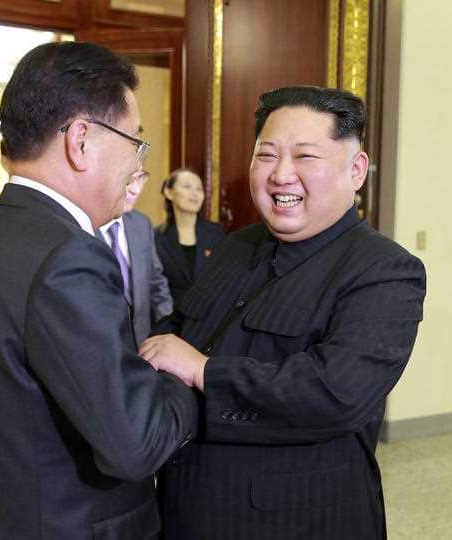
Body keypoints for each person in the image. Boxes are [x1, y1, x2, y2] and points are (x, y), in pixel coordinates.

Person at [140, 86, 427, 539]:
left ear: (356, 170)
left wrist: (205, 371)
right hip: (186, 507)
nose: (281, 175)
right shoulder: (236, 247)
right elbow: (177, 335)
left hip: (293, 520)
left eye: (305, 157)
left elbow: (335, 393)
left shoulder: (385, 271)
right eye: (267, 155)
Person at [0, 42, 198, 540]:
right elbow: (136, 443)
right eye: (135, 142)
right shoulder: (68, 256)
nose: (136, 164)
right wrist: (183, 374)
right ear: (81, 139)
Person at [99, 171, 173, 344]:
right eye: (129, 179)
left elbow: (156, 282)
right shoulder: (82, 225)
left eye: (141, 178)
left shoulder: (141, 224)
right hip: (101, 344)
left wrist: (169, 331)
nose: (136, 189)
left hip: (141, 341)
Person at [154, 168, 224, 304]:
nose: (195, 193)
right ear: (169, 192)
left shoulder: (216, 233)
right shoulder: (154, 237)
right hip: (169, 318)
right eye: (187, 186)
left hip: (208, 316)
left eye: (199, 189)